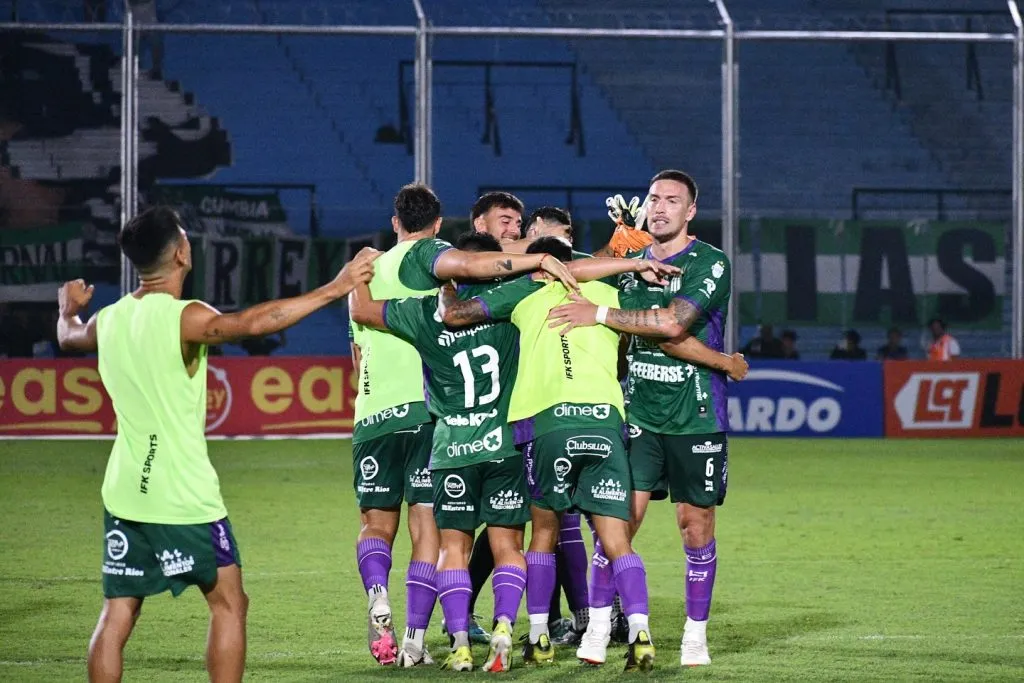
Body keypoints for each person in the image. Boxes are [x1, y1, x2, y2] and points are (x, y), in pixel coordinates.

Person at [55, 206, 379, 683]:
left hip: (124, 490)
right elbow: (251, 324)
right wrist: (336, 287)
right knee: (229, 603)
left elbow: (68, 338)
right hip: (182, 494)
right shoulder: (186, 316)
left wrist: (66, 310)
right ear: (182, 253)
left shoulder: (109, 319)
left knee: (118, 613)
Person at [439, 236, 697, 672]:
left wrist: (447, 282)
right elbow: (628, 351)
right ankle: (639, 629)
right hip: (605, 423)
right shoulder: (609, 295)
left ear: (539, 266)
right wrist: (634, 264)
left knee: (544, 533)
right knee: (616, 540)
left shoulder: (525, 291)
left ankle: (539, 635)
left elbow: (455, 315)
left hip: (548, 425)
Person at [348, 184, 579, 667]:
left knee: (395, 529)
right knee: (458, 535)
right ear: (437, 229)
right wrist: (546, 259)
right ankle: (432, 636)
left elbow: (360, 330)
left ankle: (410, 617)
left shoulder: (392, 286)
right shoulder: (498, 301)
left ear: (395, 223)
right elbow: (483, 268)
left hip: (398, 423)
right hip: (468, 429)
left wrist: (356, 276)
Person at [546, 170, 744, 668]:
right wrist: (611, 262)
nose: (660, 208)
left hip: (696, 415)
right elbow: (564, 274)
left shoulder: (710, 262)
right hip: (637, 416)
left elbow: (674, 324)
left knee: (694, 527)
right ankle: (595, 627)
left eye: (672, 201)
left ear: (690, 212)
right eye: (654, 199)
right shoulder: (628, 264)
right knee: (616, 522)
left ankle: (695, 636)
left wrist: (600, 315)